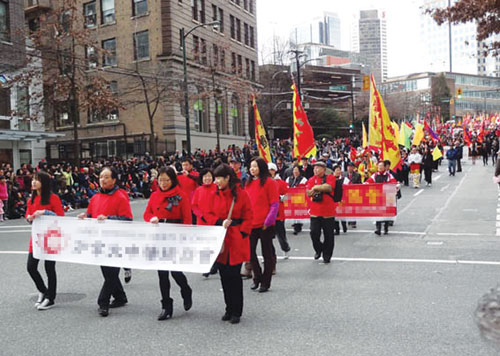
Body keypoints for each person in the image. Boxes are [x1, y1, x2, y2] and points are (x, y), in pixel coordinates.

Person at [78, 167, 133, 317]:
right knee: (108, 272)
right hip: (100, 240)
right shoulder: (95, 198)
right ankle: (120, 297)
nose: (103, 179)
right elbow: (90, 214)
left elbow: (127, 219)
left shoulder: (120, 197)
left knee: (110, 274)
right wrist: (85, 216)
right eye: (101, 177)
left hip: (116, 241)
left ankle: (103, 302)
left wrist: (109, 219)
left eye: (106, 177)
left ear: (114, 180)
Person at [203, 164, 253, 324]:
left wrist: (243, 232)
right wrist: (219, 222)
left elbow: (248, 215)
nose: (216, 181)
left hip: (236, 238)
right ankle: (228, 307)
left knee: (234, 276)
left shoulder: (241, 194)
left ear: (227, 178)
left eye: (219, 178)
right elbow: (207, 214)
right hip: (220, 238)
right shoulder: (213, 195)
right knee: (224, 276)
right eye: (215, 178)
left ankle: (236, 310)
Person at [143, 167, 193, 320]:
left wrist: (184, 238)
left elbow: (187, 219)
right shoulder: (154, 196)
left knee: (175, 271)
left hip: (175, 236)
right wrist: (152, 218)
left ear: (172, 180)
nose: (163, 183)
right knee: (162, 274)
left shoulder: (181, 195)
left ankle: (186, 290)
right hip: (159, 236)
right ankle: (166, 305)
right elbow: (147, 214)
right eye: (160, 180)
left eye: (166, 180)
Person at [25, 171, 65, 310]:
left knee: (49, 268)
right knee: (31, 267)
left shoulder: (53, 198)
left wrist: (44, 212)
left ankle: (50, 298)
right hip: (36, 238)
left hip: (51, 237)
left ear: (45, 182)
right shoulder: (31, 199)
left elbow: (60, 217)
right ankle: (43, 290)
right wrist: (29, 218)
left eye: (37, 179)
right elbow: (28, 216)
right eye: (33, 179)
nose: (34, 182)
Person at [244, 157, 279, 293]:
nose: (252, 169)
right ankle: (256, 277)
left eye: (255, 166)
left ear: (261, 168)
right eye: (251, 167)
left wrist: (268, 221)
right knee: (250, 252)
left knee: (267, 254)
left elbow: (274, 204)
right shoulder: (247, 183)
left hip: (265, 224)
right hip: (251, 223)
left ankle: (266, 281)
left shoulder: (270, 182)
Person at [306, 161, 336, 263]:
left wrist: (315, 187)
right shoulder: (311, 179)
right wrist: (319, 188)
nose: (315, 170)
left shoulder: (330, 177)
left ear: (324, 169)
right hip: (315, 211)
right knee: (314, 233)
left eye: (318, 168)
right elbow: (308, 192)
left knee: (329, 235)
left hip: (328, 212)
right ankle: (318, 249)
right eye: (314, 168)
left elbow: (329, 187)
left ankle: (327, 255)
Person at [192, 168, 218, 278]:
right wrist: (200, 215)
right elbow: (194, 205)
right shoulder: (198, 190)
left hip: (214, 220)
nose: (207, 178)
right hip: (202, 221)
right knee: (204, 245)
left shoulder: (217, 189)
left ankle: (215, 265)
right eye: (205, 177)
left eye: (209, 176)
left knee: (215, 244)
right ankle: (206, 266)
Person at [365, 161, 399, 235]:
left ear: (384, 167)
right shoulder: (374, 175)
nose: (380, 167)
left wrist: (395, 187)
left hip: (386, 197)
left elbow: (394, 183)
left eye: (381, 166)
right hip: (377, 197)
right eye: (379, 166)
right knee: (378, 213)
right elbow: (368, 182)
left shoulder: (389, 175)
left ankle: (386, 228)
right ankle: (378, 229)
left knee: (386, 213)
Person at [268, 162, 291, 259]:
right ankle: (269, 255)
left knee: (280, 234)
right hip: (267, 213)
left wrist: (279, 197)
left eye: (271, 170)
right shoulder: (264, 182)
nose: (270, 172)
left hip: (278, 212)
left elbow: (288, 196)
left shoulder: (281, 183)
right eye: (268, 170)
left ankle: (285, 249)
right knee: (267, 237)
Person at [286, 165, 308, 235]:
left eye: (297, 170)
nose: (295, 172)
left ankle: (298, 226)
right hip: (291, 198)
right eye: (294, 170)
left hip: (299, 198)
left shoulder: (303, 179)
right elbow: (286, 187)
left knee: (298, 212)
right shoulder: (288, 179)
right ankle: (295, 224)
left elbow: (304, 188)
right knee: (292, 212)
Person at [332, 165, 349, 234]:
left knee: (342, 214)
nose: (338, 172)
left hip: (342, 199)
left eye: (339, 170)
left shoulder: (345, 179)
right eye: (336, 170)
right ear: (334, 171)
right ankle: (337, 229)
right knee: (334, 215)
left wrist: (344, 198)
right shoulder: (331, 179)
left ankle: (344, 227)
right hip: (333, 199)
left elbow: (348, 189)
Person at [343, 162, 360, 228]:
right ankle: (348, 220)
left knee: (353, 208)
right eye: (348, 167)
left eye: (351, 167)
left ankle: (353, 221)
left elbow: (359, 184)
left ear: (353, 168)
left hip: (353, 193)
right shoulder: (344, 174)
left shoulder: (357, 175)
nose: (349, 168)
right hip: (345, 193)